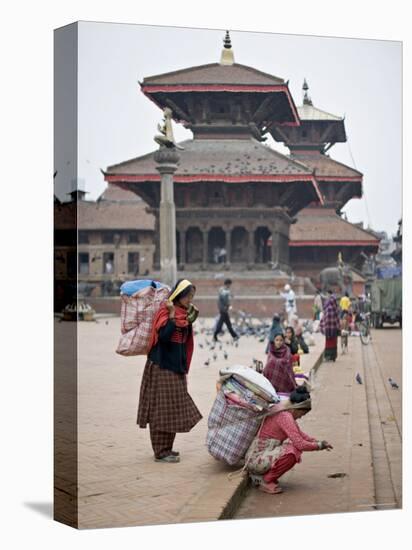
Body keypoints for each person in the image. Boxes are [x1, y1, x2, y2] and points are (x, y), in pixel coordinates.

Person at [137, 279, 202, 463]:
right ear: (179, 296)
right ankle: (160, 451)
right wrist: (173, 315)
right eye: (188, 296)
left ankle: (168, 448)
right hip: (161, 366)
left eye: (192, 296)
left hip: (176, 368)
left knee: (173, 408)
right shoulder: (166, 312)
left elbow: (184, 344)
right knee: (161, 409)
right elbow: (164, 338)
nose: (190, 299)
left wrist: (188, 320)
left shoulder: (185, 316)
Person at [246, 386, 333, 494]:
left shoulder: (284, 412)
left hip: (258, 457)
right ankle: (266, 481)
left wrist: (318, 442)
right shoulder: (285, 416)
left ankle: (267, 477)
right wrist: (319, 446)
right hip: (256, 460)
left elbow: (300, 435)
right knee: (292, 451)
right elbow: (300, 444)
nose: (301, 417)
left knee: (292, 448)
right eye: (303, 414)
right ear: (297, 409)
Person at [263, 328, 296, 394]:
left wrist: (277, 362)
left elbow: (287, 362)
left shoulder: (287, 349)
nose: (279, 342)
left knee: (274, 363)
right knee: (270, 364)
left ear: (283, 341)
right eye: (277, 340)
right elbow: (269, 362)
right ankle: (270, 387)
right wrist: (275, 362)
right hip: (272, 377)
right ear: (274, 341)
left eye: (281, 340)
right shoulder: (271, 350)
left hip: (285, 377)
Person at [320, 290, 340, 362]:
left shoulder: (328, 307)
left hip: (328, 329)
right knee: (334, 342)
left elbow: (325, 318)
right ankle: (333, 356)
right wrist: (338, 326)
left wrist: (322, 325)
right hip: (334, 328)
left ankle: (328, 356)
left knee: (328, 342)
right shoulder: (335, 306)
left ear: (328, 294)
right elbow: (337, 317)